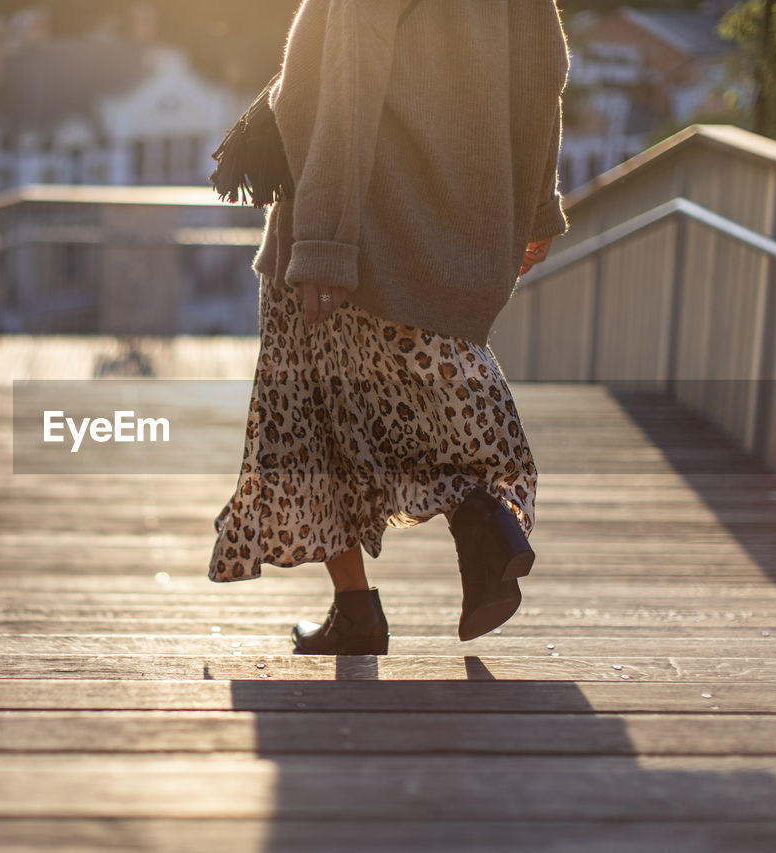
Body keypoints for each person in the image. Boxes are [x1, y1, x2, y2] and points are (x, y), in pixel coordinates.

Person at [208, 0, 571, 654]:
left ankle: (361, 605)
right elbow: (543, 72)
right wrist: (537, 202)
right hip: (452, 207)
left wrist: (323, 243)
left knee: (305, 413)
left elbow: (347, 87)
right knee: (404, 392)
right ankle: (479, 525)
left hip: (358, 206)